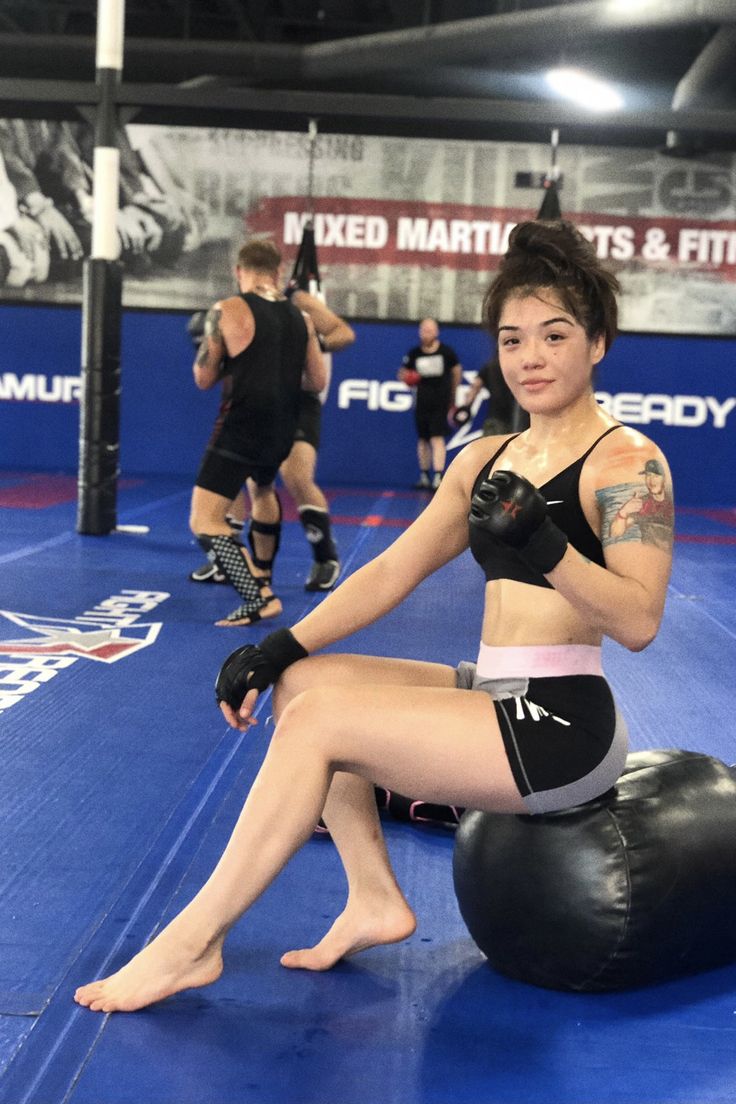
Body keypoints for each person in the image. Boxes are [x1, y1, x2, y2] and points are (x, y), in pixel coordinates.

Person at [74, 219, 675, 1013]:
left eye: (554, 335)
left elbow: (638, 621)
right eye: (512, 337)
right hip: (492, 692)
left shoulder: (628, 462)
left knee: (323, 728)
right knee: (304, 686)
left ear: (597, 342)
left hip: (563, 726)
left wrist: (549, 547)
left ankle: (191, 943)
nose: (530, 357)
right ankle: (372, 898)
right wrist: (277, 645)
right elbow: (392, 571)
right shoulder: (482, 461)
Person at [188, 238, 326, 627]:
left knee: (205, 520)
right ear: (278, 272)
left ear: (239, 271)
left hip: (241, 425)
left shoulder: (228, 310)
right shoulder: (302, 318)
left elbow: (203, 378)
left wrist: (216, 350)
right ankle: (262, 571)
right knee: (262, 490)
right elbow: (317, 380)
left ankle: (258, 595)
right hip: (283, 427)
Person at [190, 288, 355, 592]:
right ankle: (236, 561)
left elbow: (344, 333)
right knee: (242, 478)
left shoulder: (298, 300)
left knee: (296, 475)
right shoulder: (240, 305)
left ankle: (325, 557)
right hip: (258, 401)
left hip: (300, 399)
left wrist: (307, 346)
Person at [397, 318, 462, 490]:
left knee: (436, 438)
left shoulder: (446, 352)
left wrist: (452, 395)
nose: (426, 333)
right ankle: (424, 475)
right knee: (423, 439)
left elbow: (456, 371)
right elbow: (402, 373)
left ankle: (438, 476)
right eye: (423, 330)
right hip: (421, 402)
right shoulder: (414, 353)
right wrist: (408, 378)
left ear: (436, 332)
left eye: (429, 330)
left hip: (440, 402)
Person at [454, 353, 530, 437]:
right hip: (519, 419)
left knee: (491, 448)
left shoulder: (490, 365)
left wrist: (466, 407)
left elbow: (475, 388)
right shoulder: (521, 367)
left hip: (497, 419)